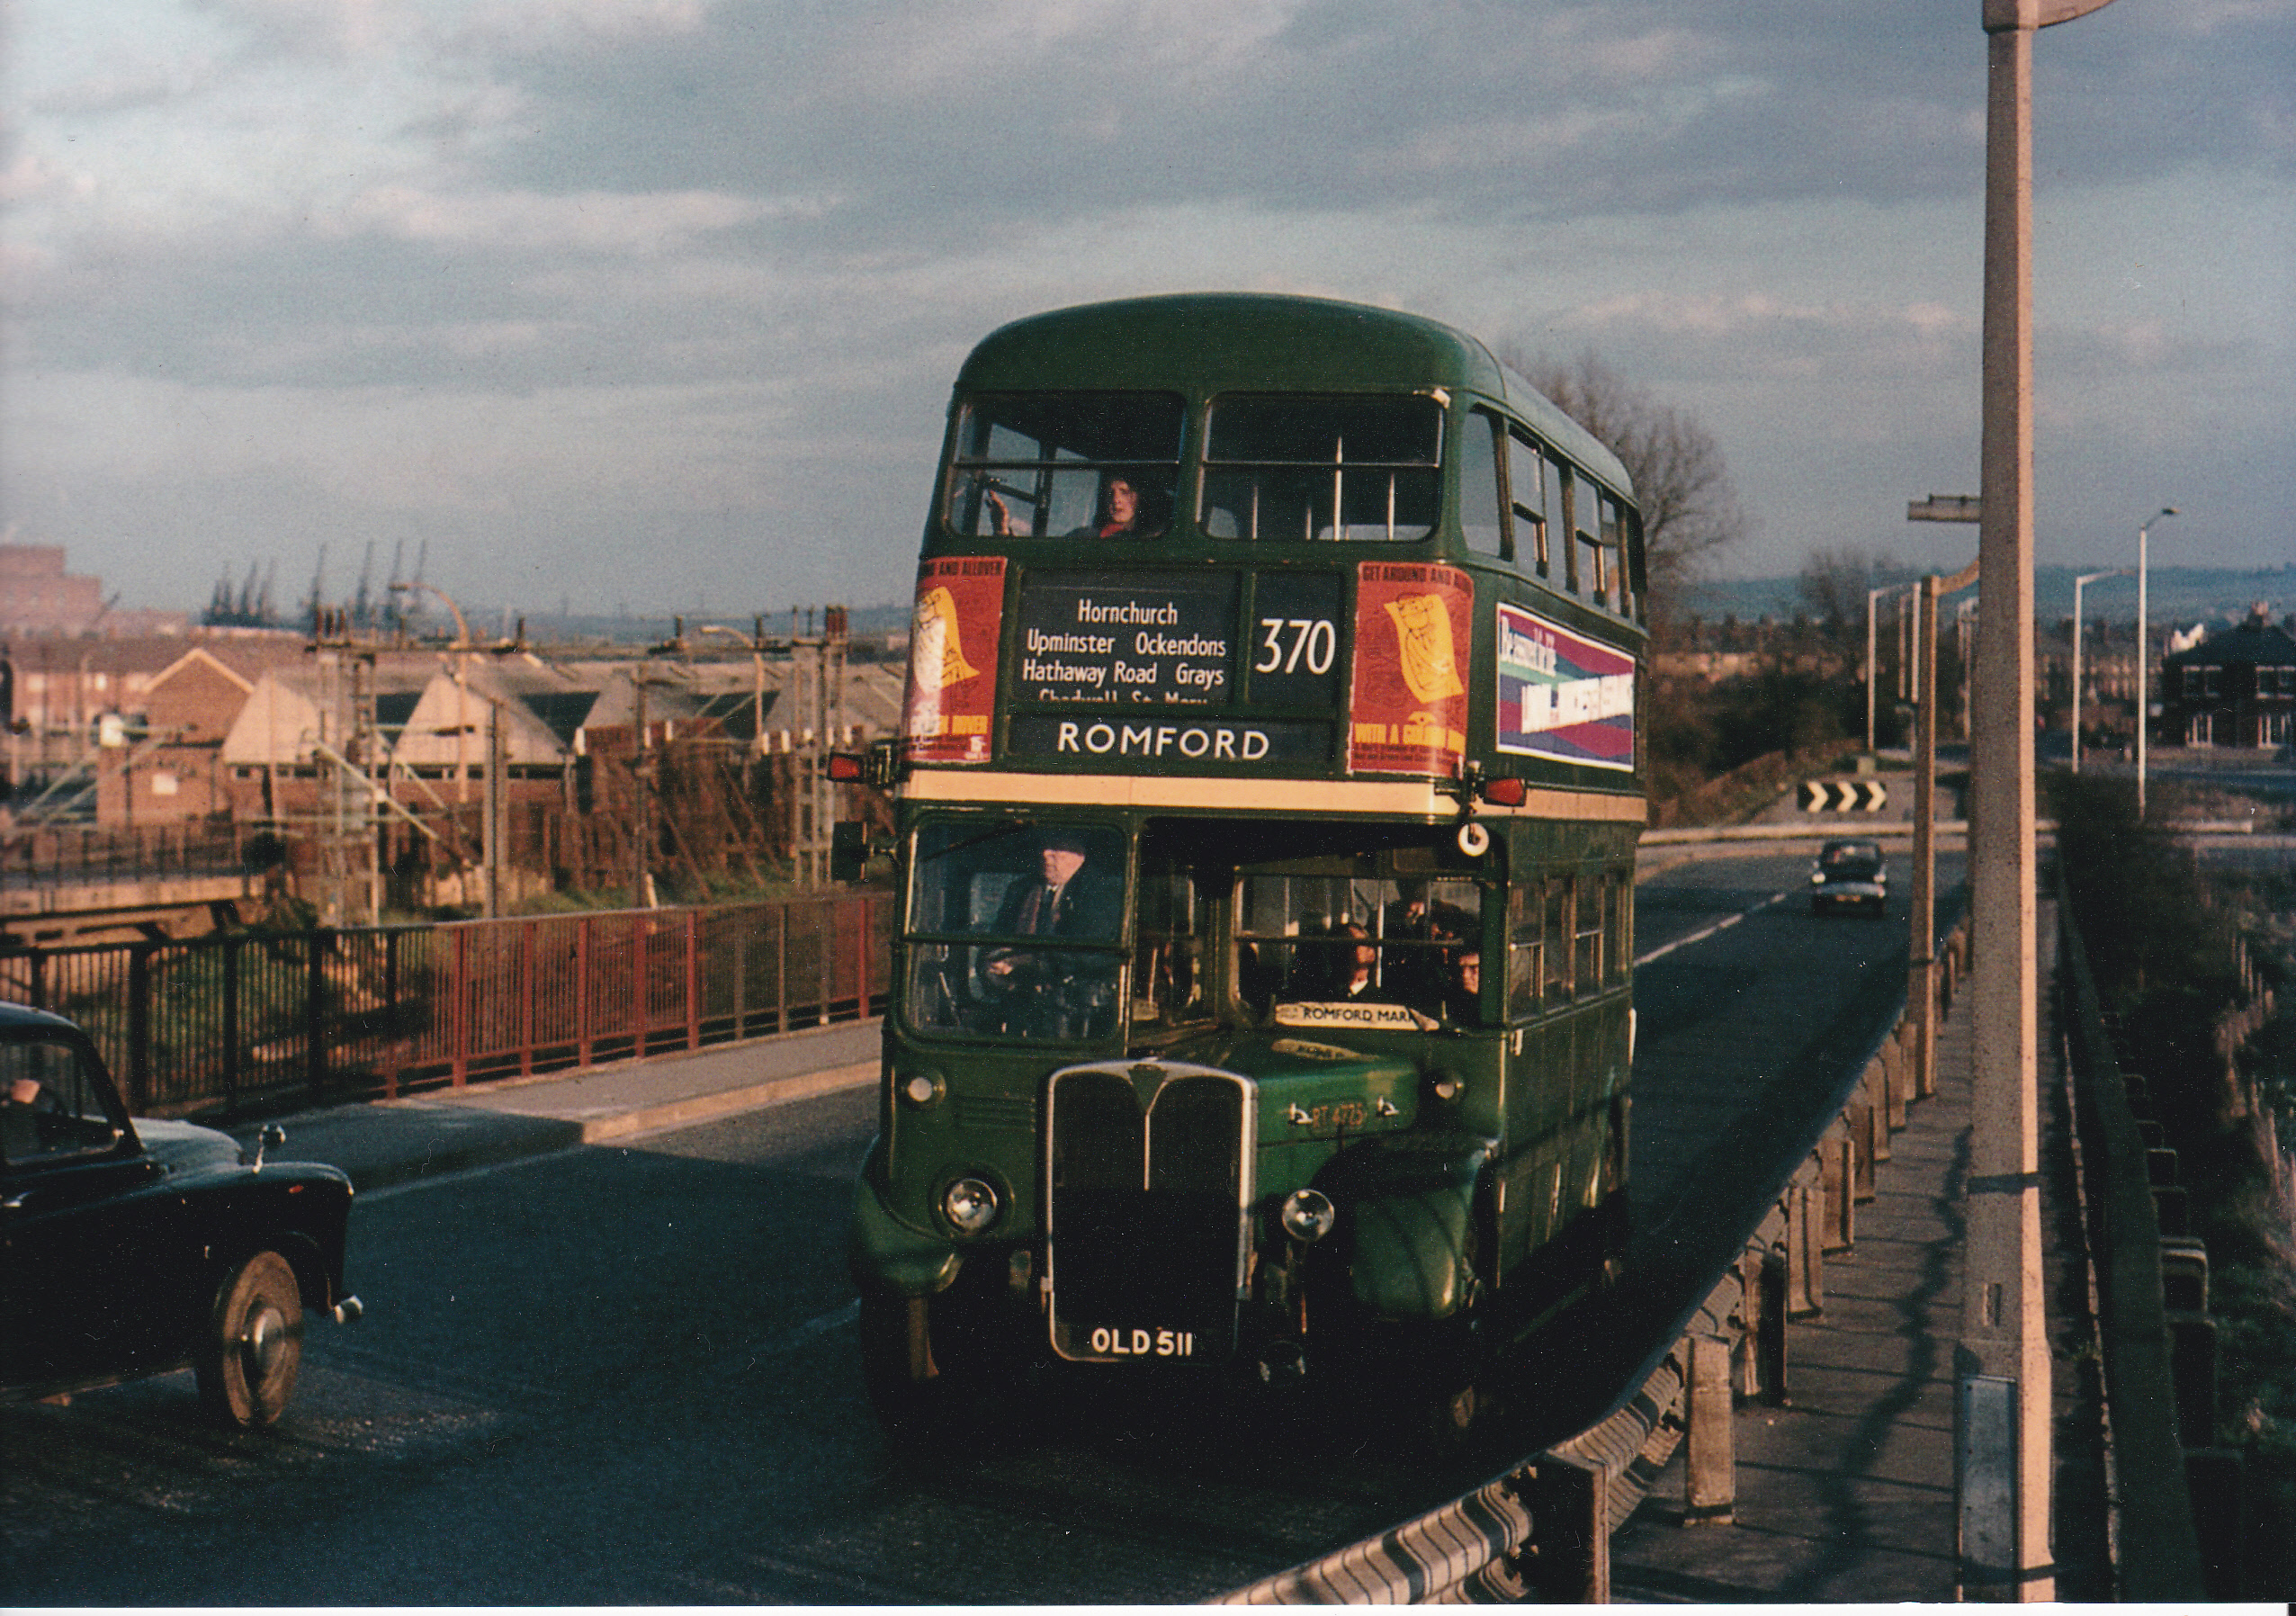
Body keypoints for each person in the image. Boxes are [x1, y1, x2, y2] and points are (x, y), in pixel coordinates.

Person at [978, 830, 1117, 1034]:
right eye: (1044, 846)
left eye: (1056, 846)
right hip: (1021, 1008)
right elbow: (995, 939)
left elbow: (1085, 953)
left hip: (1076, 1015)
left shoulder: (1102, 892)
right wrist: (993, 963)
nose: (1045, 854)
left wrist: (1022, 961)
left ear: (1079, 853)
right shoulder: (1021, 891)